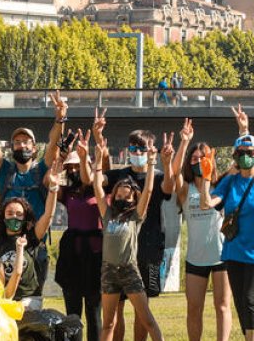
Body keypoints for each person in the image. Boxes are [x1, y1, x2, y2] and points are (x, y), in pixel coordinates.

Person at [201, 114, 254, 341]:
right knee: (240, 301)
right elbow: (207, 203)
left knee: (250, 298)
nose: (245, 157)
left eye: (250, 153)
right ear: (235, 157)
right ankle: (249, 334)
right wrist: (205, 177)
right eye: (240, 154)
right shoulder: (230, 181)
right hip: (234, 250)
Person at [94, 112, 170, 341]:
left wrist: (157, 162)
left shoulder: (151, 184)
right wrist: (98, 149)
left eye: (142, 149)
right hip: (111, 269)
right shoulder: (116, 190)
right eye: (133, 149)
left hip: (148, 252)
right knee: (111, 318)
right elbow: (97, 186)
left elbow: (162, 188)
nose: (137, 153)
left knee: (144, 312)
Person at [0, 87, 64, 289]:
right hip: (5, 244)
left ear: (34, 148)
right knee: (2, 294)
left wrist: (60, 119)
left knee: (33, 298)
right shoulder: (5, 171)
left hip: (35, 244)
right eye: (17, 142)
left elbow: (53, 144)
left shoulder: (42, 170)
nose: (22, 146)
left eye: (26, 142)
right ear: (11, 148)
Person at [169, 119, 231, 341]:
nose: (198, 162)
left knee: (222, 306)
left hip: (222, 256)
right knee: (194, 309)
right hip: (196, 258)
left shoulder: (220, 185)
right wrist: (184, 142)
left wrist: (243, 129)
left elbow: (240, 166)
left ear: (211, 161)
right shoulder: (185, 189)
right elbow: (173, 171)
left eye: (203, 158)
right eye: (194, 159)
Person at [0, 162, 59, 310]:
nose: (14, 217)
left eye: (19, 214)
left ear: (25, 218)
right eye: (10, 213)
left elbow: (48, 215)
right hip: (3, 297)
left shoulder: (31, 237)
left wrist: (53, 189)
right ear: (3, 216)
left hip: (28, 299)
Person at [56, 129, 102, 341]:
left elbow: (88, 177)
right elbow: (50, 181)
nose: (73, 170)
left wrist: (83, 159)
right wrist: (61, 158)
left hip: (95, 253)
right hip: (72, 254)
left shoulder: (99, 190)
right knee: (73, 312)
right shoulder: (67, 192)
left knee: (94, 311)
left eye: (77, 166)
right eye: (70, 168)